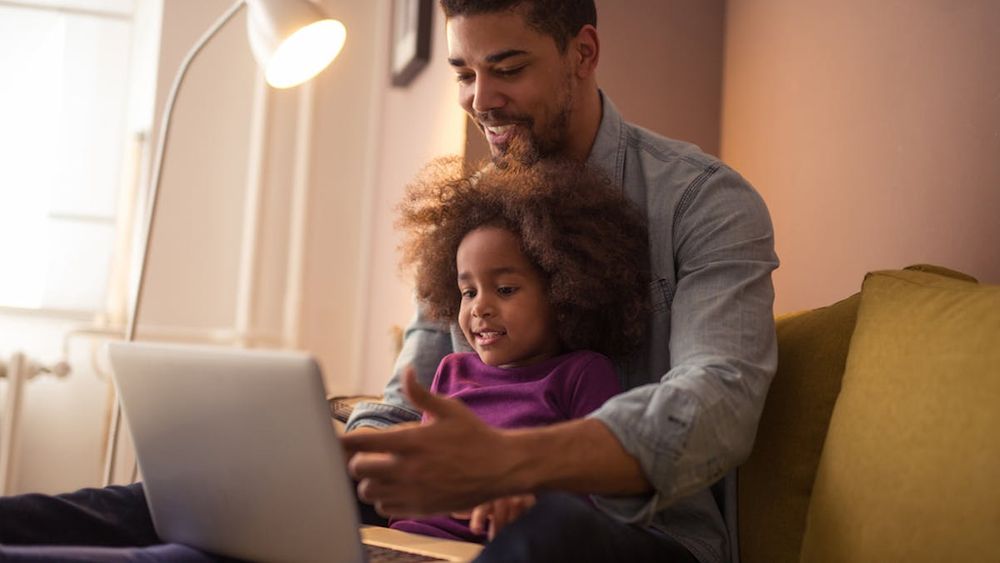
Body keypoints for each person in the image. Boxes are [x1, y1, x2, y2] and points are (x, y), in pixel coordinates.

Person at [341, 1, 779, 562]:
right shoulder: (471, 217)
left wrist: (511, 461)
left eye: (508, 69)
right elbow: (409, 395)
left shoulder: (702, 201)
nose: (481, 101)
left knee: (545, 534)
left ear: (583, 53)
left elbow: (720, 401)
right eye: (464, 74)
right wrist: (347, 454)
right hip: (455, 536)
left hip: (647, 537)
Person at [385, 157, 649, 542]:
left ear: (564, 292)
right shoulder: (450, 371)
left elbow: (598, 495)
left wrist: (528, 504)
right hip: (413, 543)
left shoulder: (582, 375)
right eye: (468, 292)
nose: (480, 307)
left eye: (505, 289)